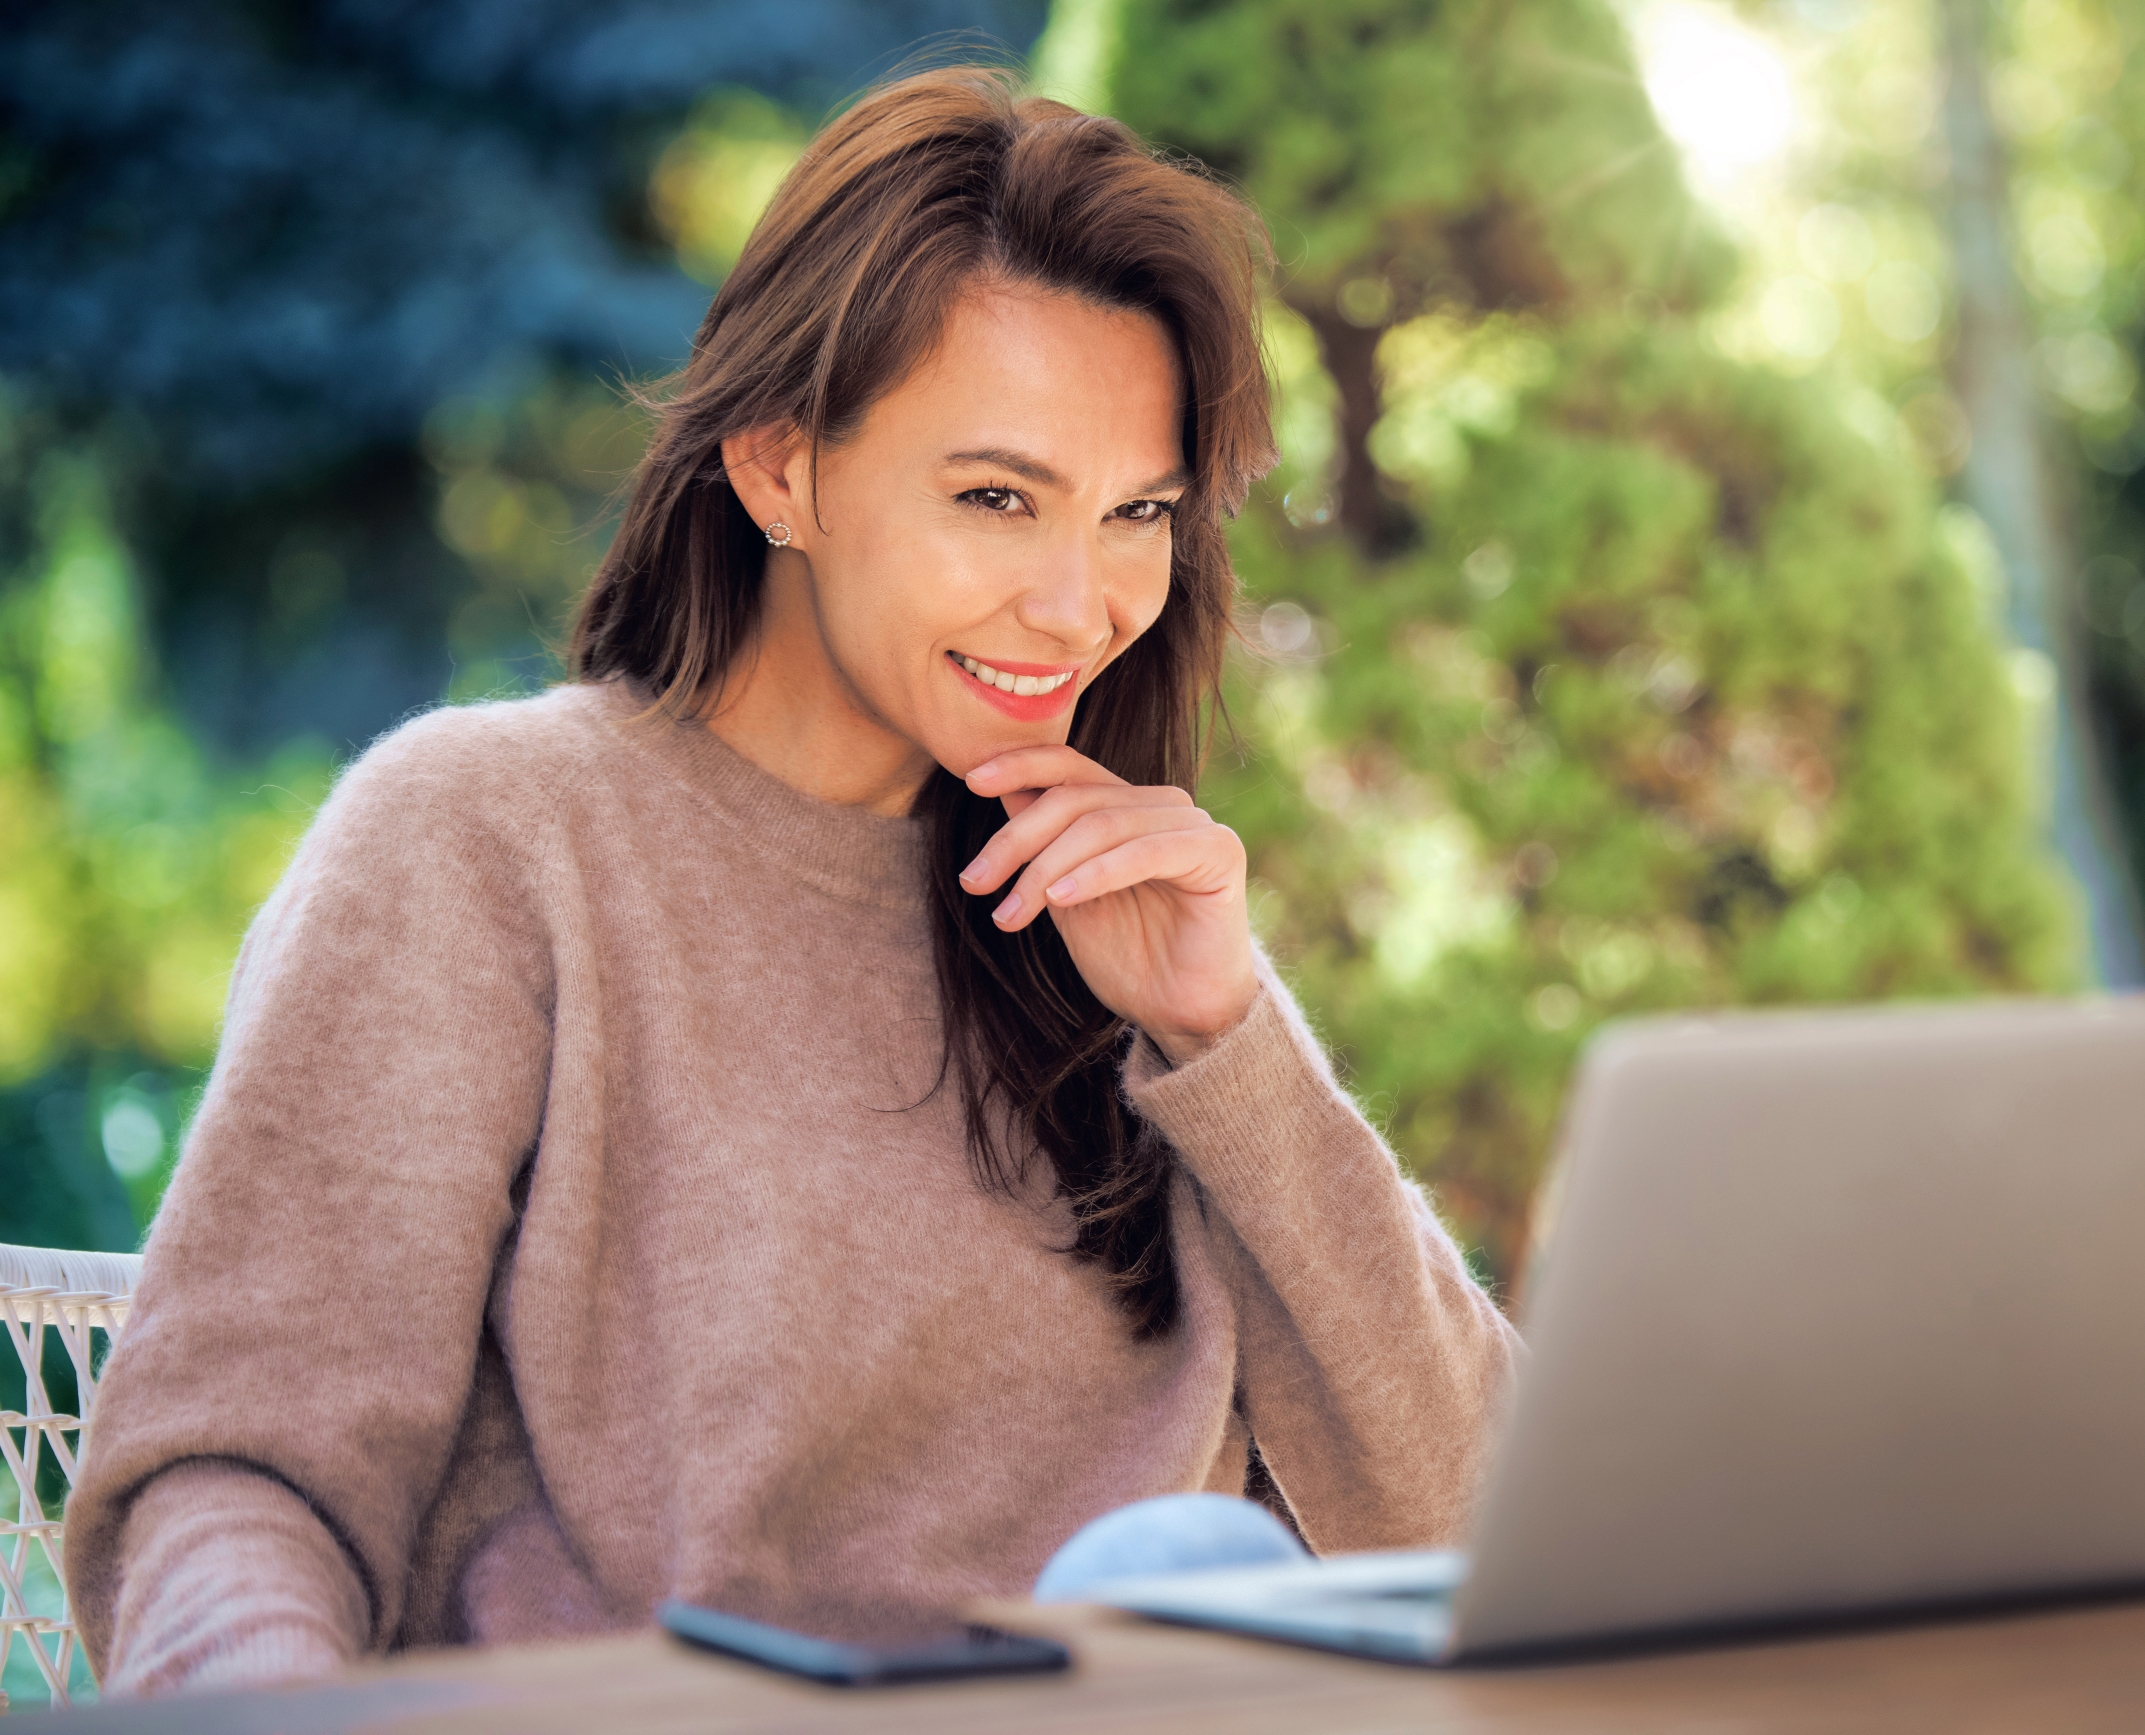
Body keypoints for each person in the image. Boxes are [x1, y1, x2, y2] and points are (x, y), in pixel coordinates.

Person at [65, 67, 1519, 1697]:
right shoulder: (484, 843)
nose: (1079, 601)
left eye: (1138, 515)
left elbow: (1496, 1538)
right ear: (776, 471)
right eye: (995, 498)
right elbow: (232, 1489)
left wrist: (1227, 1034)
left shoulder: (1118, 923)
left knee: (1184, 1576)